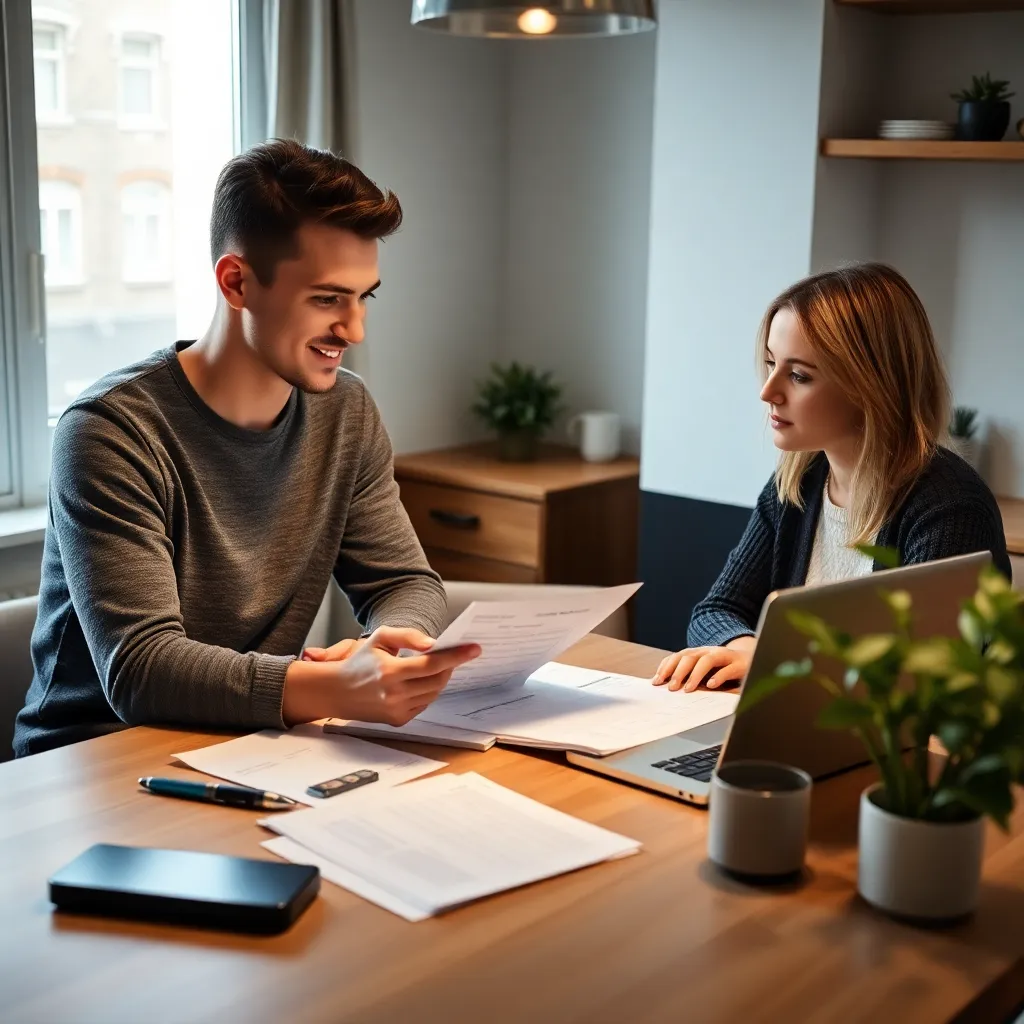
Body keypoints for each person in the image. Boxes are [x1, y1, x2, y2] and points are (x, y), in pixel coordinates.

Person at [15, 139, 479, 756]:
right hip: (93, 760)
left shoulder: (346, 410)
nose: (355, 330)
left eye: (363, 297)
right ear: (236, 283)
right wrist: (333, 688)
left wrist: (393, 645)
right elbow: (142, 670)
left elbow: (405, 581)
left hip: (250, 744)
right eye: (326, 298)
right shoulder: (110, 430)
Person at [654, 262, 1010, 694]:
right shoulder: (798, 482)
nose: (767, 392)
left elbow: (912, 685)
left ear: (870, 384)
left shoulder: (950, 507)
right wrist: (745, 647)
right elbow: (716, 610)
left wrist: (769, 660)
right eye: (770, 363)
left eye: (799, 375)